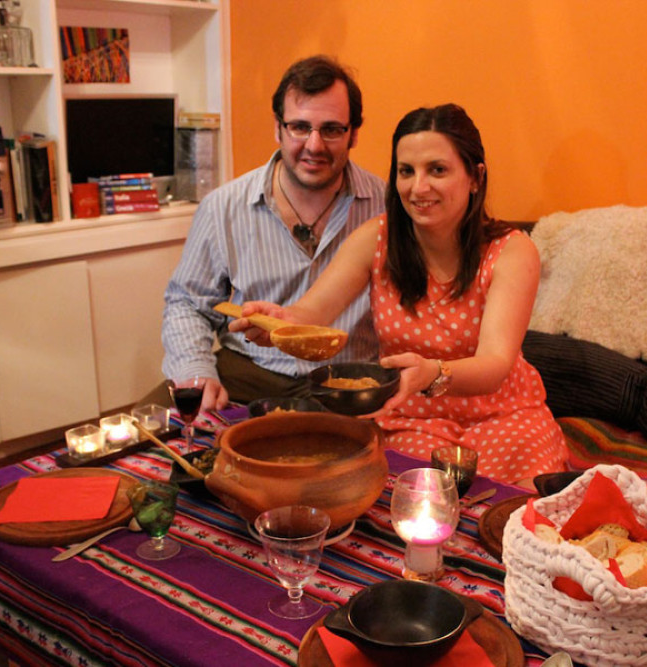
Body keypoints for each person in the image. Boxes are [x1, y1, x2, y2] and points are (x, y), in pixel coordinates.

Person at [233, 103, 567, 484]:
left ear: (475, 177)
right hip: (412, 421)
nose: (418, 187)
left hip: (505, 418)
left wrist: (430, 374)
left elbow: (494, 365)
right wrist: (278, 324)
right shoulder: (377, 239)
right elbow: (312, 312)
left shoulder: (512, 250)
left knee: (517, 515)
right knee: (405, 499)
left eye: (437, 170)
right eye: (406, 171)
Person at [161, 55, 386, 411]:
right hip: (251, 373)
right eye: (299, 127)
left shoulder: (386, 207)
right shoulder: (223, 206)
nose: (314, 145)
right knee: (149, 429)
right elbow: (187, 304)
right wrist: (195, 370)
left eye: (331, 129)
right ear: (277, 128)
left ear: (353, 133)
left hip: (346, 383)